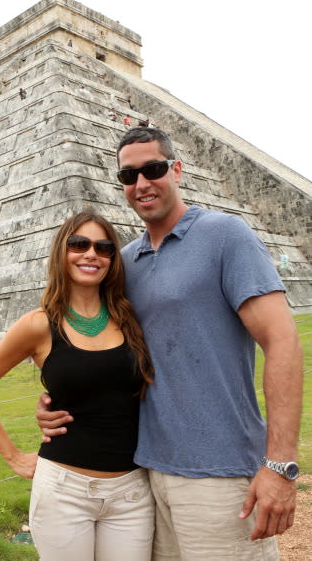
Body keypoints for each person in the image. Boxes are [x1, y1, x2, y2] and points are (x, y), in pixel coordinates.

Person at [37, 127, 303, 560]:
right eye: (128, 176)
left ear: (176, 169)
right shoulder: (123, 263)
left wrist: (279, 466)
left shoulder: (224, 236)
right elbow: (94, 345)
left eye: (153, 169)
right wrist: (56, 400)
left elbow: (283, 342)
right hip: (144, 471)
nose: (141, 183)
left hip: (218, 471)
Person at [0, 210, 155, 561]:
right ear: (61, 252)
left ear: (113, 258)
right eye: (78, 244)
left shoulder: (130, 318)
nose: (91, 254)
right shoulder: (38, 325)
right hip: (65, 491)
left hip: (131, 492)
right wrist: (13, 455)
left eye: (103, 247)